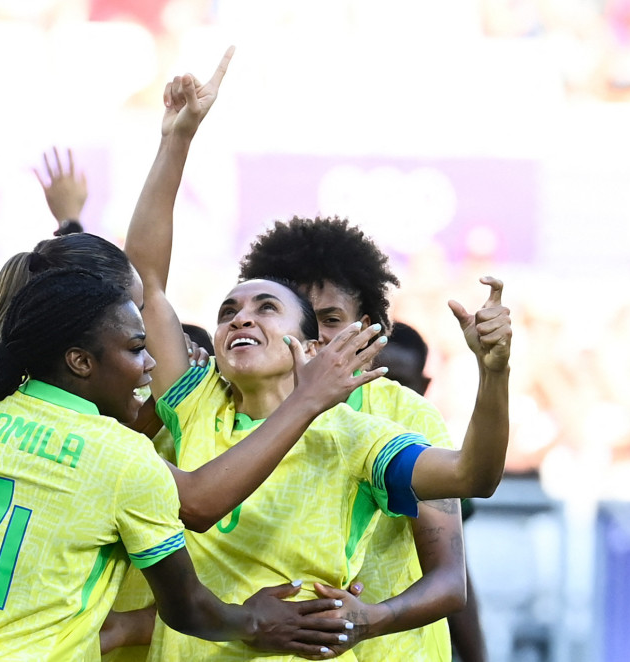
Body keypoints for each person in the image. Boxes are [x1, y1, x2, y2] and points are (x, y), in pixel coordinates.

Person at [120, 63, 511, 661]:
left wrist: (495, 374)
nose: (240, 319)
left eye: (267, 308)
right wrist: (177, 138)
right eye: (229, 310)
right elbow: (145, 280)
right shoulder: (196, 397)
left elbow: (472, 480)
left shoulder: (364, 433)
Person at [0, 268, 366, 661]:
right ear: (80, 362)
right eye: (136, 349)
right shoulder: (120, 456)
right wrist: (255, 620)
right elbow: (189, 604)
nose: (150, 365)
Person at [237, 216, 507, 660]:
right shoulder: (225, 402)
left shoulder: (404, 413)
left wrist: (370, 619)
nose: (315, 335)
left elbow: (450, 580)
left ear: (365, 325)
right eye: (297, 314)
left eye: (330, 319)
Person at [374, 324, 488, 662]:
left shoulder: (431, 462)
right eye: (380, 378)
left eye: (402, 382)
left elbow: (453, 569)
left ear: (424, 387)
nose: (389, 393)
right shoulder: (328, 437)